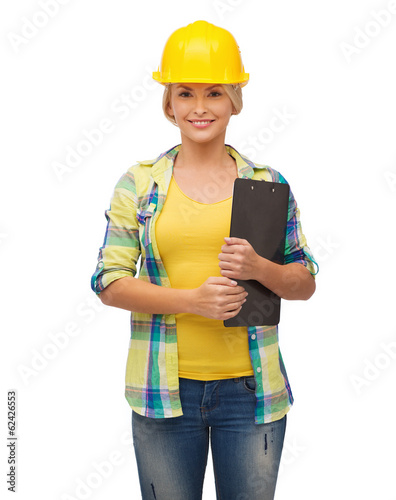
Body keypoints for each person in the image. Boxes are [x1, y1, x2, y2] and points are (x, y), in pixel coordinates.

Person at [91, 20, 319, 500]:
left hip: (251, 395)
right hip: (163, 393)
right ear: (168, 104)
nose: (199, 108)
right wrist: (191, 301)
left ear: (234, 100)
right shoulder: (140, 184)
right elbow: (109, 282)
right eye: (185, 93)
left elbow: (304, 282)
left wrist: (261, 269)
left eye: (214, 92)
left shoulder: (266, 184)